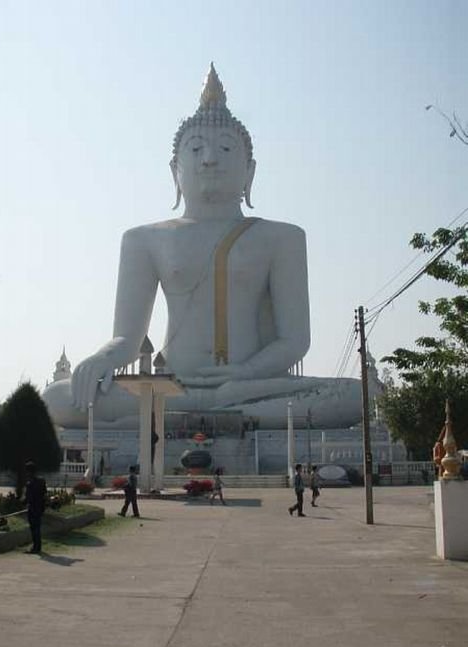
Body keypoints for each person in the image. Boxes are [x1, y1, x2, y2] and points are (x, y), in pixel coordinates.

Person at [43, 64, 366, 432]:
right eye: (196, 149)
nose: (210, 159)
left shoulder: (283, 238)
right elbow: (127, 340)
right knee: (58, 397)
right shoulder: (144, 239)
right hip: (168, 386)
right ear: (174, 170)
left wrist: (243, 373)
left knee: (360, 394)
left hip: (247, 386)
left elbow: (294, 341)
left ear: (250, 171)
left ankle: (174, 420)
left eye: (226, 149)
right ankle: (226, 419)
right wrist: (100, 359)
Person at [24, 460, 47, 553]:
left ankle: (35, 547)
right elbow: (44, 493)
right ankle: (38, 546)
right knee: (37, 528)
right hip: (40, 507)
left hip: (33, 508)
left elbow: (28, 497)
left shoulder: (30, 483)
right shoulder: (41, 481)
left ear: (29, 472)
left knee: (34, 528)